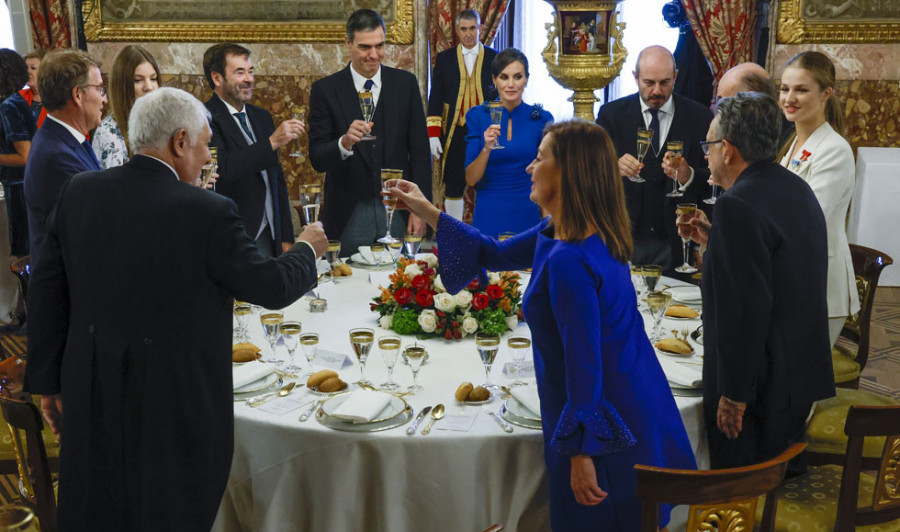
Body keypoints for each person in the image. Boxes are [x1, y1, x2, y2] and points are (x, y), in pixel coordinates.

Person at [24, 87, 327, 531]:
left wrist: (48, 382)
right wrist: (307, 248)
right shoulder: (207, 211)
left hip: (91, 386)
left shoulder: (80, 191)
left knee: (98, 508)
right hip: (173, 402)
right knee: (171, 511)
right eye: (206, 146)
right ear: (180, 142)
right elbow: (272, 286)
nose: (208, 159)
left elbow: (47, 289)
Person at [387, 119, 696, 531]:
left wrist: (583, 451)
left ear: (568, 172)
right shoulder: (572, 230)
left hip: (606, 420)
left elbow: (582, 360)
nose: (529, 168)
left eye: (538, 158)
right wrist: (426, 208)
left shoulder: (570, 258)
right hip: (631, 400)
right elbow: (495, 255)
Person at [684, 92, 833, 471]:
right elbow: (775, 267)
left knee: (740, 489)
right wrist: (715, 241)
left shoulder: (737, 205)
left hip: (760, 386)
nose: (706, 154)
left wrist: (733, 395)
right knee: (775, 479)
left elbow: (744, 311)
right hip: (795, 374)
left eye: (710, 144)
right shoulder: (791, 185)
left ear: (729, 150)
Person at [308, 8, 431, 256]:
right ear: (348, 43)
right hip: (348, 213)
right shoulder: (325, 90)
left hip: (400, 209)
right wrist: (343, 143)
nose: (373, 55)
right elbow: (318, 158)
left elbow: (419, 152)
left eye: (380, 45)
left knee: (401, 286)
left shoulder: (405, 85)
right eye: (365, 47)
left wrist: (420, 209)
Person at [595, 45, 712, 269]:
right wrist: (612, 165)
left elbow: (715, 180)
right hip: (624, 236)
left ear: (676, 76)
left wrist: (688, 175)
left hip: (677, 242)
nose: (657, 91)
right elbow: (589, 169)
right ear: (636, 77)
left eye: (665, 82)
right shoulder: (612, 115)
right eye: (649, 83)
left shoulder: (700, 117)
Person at [779, 51, 860, 348]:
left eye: (801, 90)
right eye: (785, 88)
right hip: (791, 280)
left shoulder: (834, 149)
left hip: (819, 287)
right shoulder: (794, 143)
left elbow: (808, 218)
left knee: (798, 389)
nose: (790, 97)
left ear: (826, 94)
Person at [204, 43, 303, 257]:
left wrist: (286, 236)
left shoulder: (262, 117)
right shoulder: (206, 118)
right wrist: (271, 143)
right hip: (234, 237)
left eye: (250, 71)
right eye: (240, 72)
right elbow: (222, 169)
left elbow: (277, 181)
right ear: (217, 78)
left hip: (272, 236)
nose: (249, 79)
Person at [24, 49, 105, 269]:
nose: (104, 98)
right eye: (99, 89)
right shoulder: (57, 156)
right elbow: (92, 227)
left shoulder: (64, 138)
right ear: (78, 95)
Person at [464, 48, 552, 238]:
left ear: (526, 79)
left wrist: (549, 229)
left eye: (517, 77)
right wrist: (487, 149)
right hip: (489, 213)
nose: (511, 84)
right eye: (504, 77)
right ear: (494, 80)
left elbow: (547, 179)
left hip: (528, 214)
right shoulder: (477, 116)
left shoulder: (542, 119)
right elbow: (471, 179)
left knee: (528, 268)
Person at [426, 9, 497, 221]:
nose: (468, 34)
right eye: (464, 29)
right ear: (457, 30)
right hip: (455, 131)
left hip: (486, 132)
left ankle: (486, 231)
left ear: (480, 28)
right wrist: (433, 134)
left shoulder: (495, 58)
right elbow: (435, 98)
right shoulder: (445, 59)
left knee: (487, 180)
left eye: (472, 28)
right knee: (454, 182)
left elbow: (501, 97)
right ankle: (457, 231)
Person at [92, 45, 160, 169]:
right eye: (138, 80)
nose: (149, 87)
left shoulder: (160, 124)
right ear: (122, 86)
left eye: (153, 78)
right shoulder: (108, 133)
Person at [0, 50, 33, 259]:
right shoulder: (16, 101)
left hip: (19, 187)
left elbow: (25, 156)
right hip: (18, 184)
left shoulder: (9, 106)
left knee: (23, 254)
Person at [716, 62, 794, 148]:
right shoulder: (732, 134)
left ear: (751, 100)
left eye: (723, 101)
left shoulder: (790, 142)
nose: (719, 110)